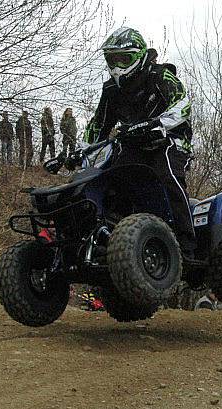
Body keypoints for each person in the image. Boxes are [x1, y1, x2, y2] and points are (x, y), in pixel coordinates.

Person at [83, 26, 196, 259]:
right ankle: (115, 240)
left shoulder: (159, 75)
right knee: (111, 177)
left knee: (167, 174)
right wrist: (80, 152)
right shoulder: (111, 90)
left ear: (139, 56)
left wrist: (158, 124)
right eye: (112, 60)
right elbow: (98, 126)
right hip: (134, 144)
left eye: (124, 59)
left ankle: (187, 244)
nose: (117, 67)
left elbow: (182, 104)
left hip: (170, 139)